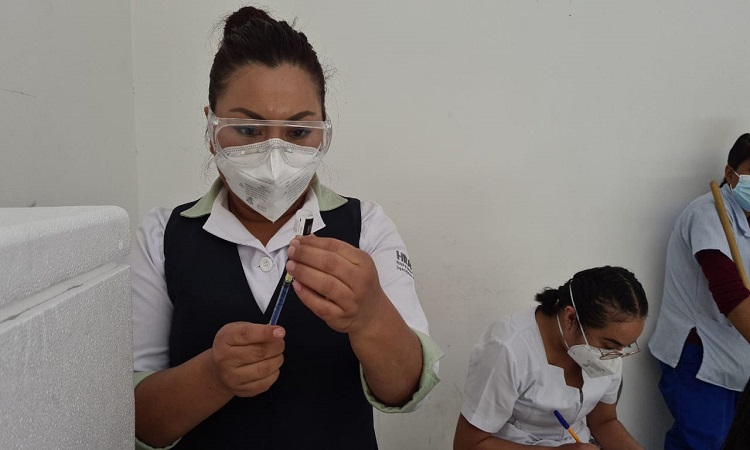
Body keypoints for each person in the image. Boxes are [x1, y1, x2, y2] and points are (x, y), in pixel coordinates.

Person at [129, 6, 442, 449]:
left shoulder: (366, 226)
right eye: (247, 129)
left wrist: (371, 316)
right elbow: (139, 421)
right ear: (211, 129)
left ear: (323, 130)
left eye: (297, 133)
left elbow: (408, 390)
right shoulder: (162, 236)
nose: (273, 157)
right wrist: (212, 375)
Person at [453, 266, 648, 449]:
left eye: (626, 346)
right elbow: (467, 444)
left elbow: (604, 422)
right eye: (610, 346)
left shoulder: (609, 351)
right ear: (570, 318)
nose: (616, 355)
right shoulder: (507, 349)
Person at [649, 134, 750, 450]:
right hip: (699, 353)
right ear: (730, 173)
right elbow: (730, 294)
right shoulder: (707, 214)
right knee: (702, 443)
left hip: (737, 354)